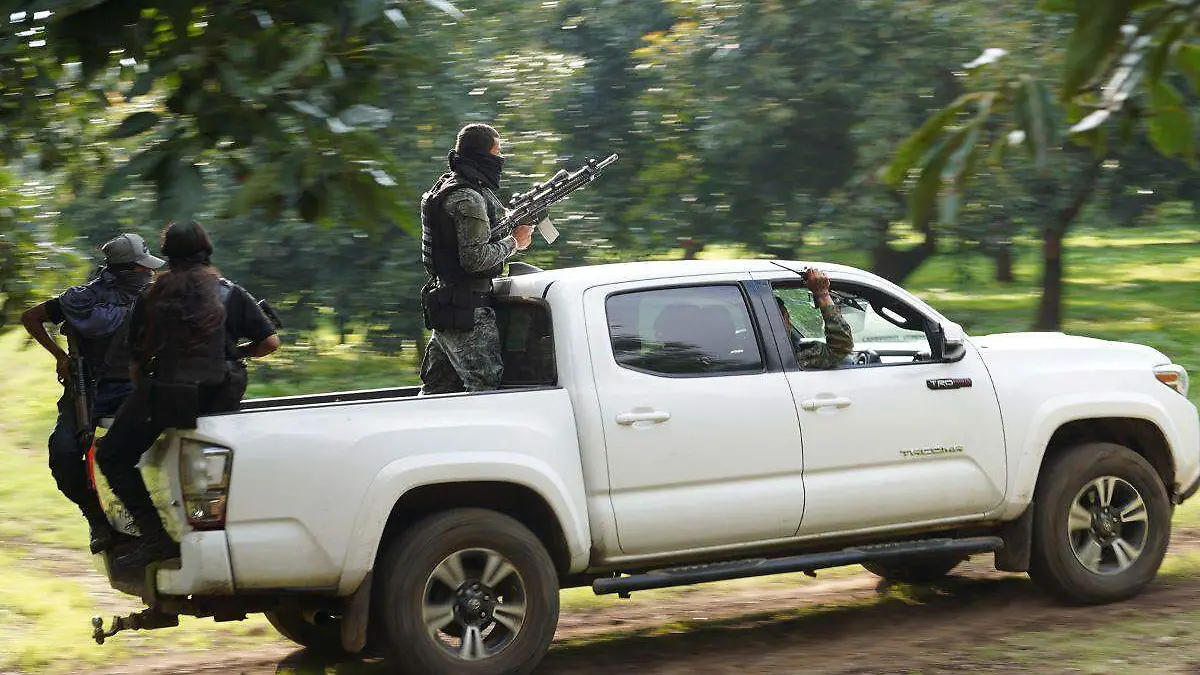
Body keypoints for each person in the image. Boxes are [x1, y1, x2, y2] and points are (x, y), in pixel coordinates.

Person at [97, 221, 280, 568]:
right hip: (219, 398)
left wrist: (146, 401)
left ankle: (156, 538)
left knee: (112, 456)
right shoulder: (231, 293)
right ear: (207, 252)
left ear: (165, 256)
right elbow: (269, 343)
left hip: (166, 398)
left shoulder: (150, 297)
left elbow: (136, 363)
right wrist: (234, 354)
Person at [20, 233, 164, 554]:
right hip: (87, 389)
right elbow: (30, 317)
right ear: (128, 270)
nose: (149, 273)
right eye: (143, 268)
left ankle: (150, 524)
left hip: (133, 389)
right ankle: (96, 519)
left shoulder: (156, 298)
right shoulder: (83, 298)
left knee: (142, 454)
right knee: (64, 454)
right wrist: (61, 356)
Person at [418, 123, 537, 394]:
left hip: (450, 305)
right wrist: (514, 242)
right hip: (467, 311)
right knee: (486, 390)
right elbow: (475, 258)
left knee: (438, 390)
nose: (501, 158)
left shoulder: (450, 188)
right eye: (497, 151)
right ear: (481, 154)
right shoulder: (467, 197)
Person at [775, 268, 855, 370]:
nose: (788, 320)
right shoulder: (793, 359)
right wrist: (823, 295)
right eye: (783, 316)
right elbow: (840, 347)